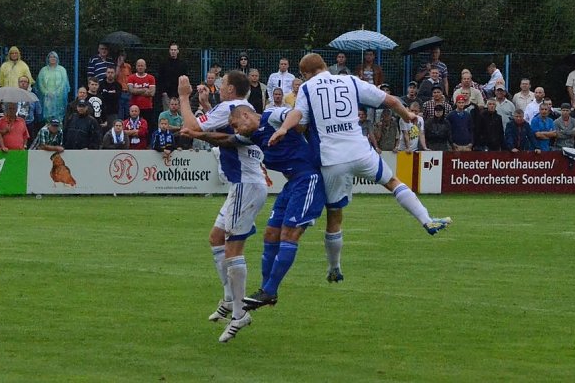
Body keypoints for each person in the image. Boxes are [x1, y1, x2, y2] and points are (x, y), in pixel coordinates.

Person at [268, 53, 451, 285]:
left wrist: (285, 128)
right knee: (393, 182)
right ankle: (426, 220)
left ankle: (334, 268)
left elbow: (299, 118)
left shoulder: (307, 88)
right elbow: (392, 101)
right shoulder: (351, 81)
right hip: (360, 151)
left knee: (334, 216)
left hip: (332, 159)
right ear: (325, 66)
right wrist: (409, 115)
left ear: (305, 74)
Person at [182, 104, 326, 313]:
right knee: (270, 234)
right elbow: (226, 140)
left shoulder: (271, 116)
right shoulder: (252, 136)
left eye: (235, 125)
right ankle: (266, 291)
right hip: (292, 184)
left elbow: (296, 113)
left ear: (246, 115)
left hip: (307, 179)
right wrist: (197, 134)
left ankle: (270, 290)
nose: (236, 130)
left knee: (288, 234)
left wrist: (284, 129)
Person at [178, 71, 267, 343]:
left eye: (222, 84)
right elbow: (221, 128)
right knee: (216, 238)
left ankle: (240, 314)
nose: (218, 88)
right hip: (244, 184)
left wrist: (184, 96)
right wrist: (205, 106)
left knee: (232, 249)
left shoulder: (228, 106)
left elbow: (193, 127)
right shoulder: (244, 109)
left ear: (229, 88)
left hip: (245, 184)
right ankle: (230, 298)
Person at [36, 51, 70, 124]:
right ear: (48, 59)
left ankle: (58, 133)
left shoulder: (62, 70)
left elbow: (64, 83)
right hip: (47, 98)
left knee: (59, 118)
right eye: (51, 57)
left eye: (54, 57)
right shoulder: (43, 70)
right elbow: (40, 83)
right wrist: (46, 93)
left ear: (57, 58)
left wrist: (56, 93)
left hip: (59, 99)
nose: (52, 58)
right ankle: (47, 132)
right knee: (48, 117)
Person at [157, 43, 190, 111]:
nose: (173, 51)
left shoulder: (183, 64)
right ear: (169, 51)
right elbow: (160, 78)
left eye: (175, 50)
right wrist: (163, 92)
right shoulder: (164, 63)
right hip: (166, 94)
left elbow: (185, 78)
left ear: (178, 51)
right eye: (171, 50)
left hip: (179, 94)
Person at [128, 58, 156, 133]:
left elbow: (152, 93)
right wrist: (144, 90)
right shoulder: (131, 77)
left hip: (147, 107)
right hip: (135, 107)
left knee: (149, 126)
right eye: (139, 65)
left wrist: (137, 90)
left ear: (145, 67)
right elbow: (131, 91)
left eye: (142, 65)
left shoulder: (151, 78)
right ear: (136, 67)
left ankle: (148, 143)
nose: (140, 67)